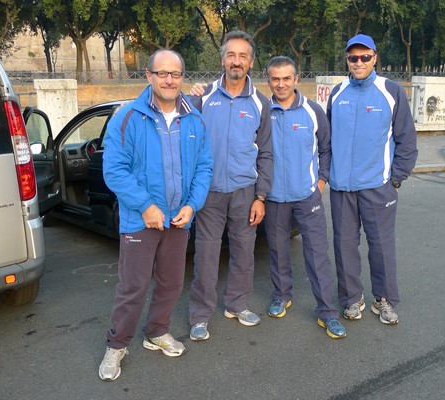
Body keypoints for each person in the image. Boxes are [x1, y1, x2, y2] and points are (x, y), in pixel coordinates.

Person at [98, 49, 213, 381]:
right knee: (132, 288)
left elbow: (204, 167)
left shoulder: (194, 119)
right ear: (148, 76)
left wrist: (192, 205)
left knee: (172, 284)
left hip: (179, 221)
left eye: (175, 74)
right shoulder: (128, 117)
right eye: (162, 73)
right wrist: (146, 206)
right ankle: (117, 345)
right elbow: (115, 170)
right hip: (140, 221)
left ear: (182, 78)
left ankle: (156, 332)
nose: (169, 80)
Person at [187, 30, 273, 341]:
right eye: (231, 55)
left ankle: (236, 304)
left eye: (243, 56)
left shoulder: (261, 104)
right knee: (206, 255)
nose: (236, 61)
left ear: (251, 62)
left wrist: (261, 196)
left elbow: (266, 152)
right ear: (223, 58)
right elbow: (185, 140)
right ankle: (200, 315)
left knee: (243, 252)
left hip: (244, 192)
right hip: (208, 193)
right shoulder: (202, 97)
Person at [327, 34, 418, 325]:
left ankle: (385, 299)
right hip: (342, 188)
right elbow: (325, 140)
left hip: (378, 187)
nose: (359, 62)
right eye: (353, 58)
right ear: (347, 60)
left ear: (375, 57)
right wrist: (327, 175)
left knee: (381, 246)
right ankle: (352, 298)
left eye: (365, 57)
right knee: (344, 246)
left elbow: (407, 140)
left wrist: (396, 179)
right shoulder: (337, 93)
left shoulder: (391, 91)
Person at [263, 56, 346, 339]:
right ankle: (281, 295)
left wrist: (320, 182)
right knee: (278, 250)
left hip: (307, 196)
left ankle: (327, 312)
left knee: (317, 254)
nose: (281, 84)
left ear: (297, 79)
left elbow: (326, 148)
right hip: (273, 198)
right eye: (276, 79)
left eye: (287, 78)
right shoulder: (262, 110)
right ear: (269, 81)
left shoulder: (312, 111)